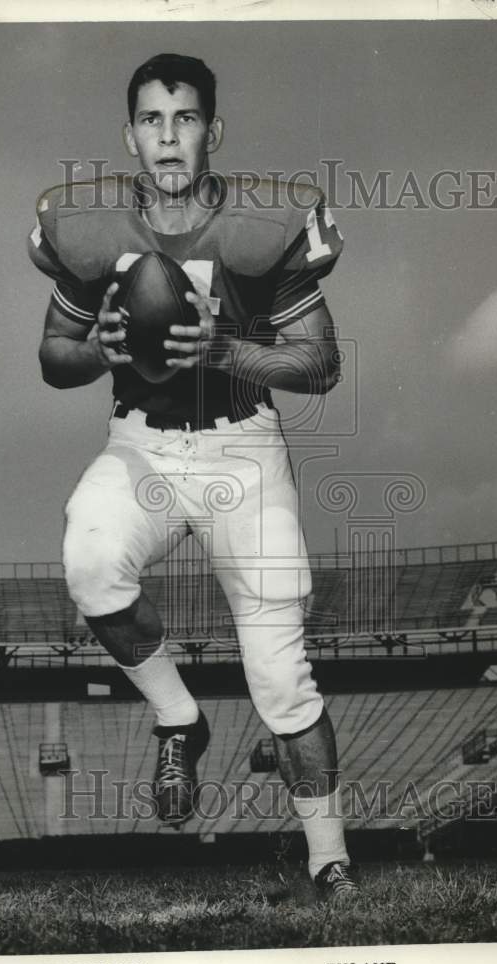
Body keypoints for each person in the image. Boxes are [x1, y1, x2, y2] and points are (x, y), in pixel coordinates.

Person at [29, 53, 358, 898]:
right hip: (141, 445)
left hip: (242, 450)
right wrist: (95, 349)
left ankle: (329, 860)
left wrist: (223, 349)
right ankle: (178, 715)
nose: (167, 138)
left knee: (282, 677)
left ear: (213, 131)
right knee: (90, 563)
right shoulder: (89, 224)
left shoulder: (263, 223)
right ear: (129, 134)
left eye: (184, 120)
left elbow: (319, 365)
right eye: (151, 120)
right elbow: (53, 357)